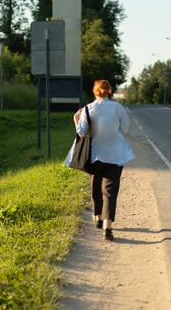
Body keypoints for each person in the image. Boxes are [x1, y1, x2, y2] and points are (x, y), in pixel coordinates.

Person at [73, 80, 135, 241]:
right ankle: (108, 227)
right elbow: (126, 130)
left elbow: (81, 133)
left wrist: (75, 119)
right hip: (115, 155)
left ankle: (97, 216)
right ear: (109, 91)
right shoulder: (118, 108)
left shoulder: (88, 109)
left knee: (96, 187)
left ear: (95, 92)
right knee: (110, 191)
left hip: (95, 155)